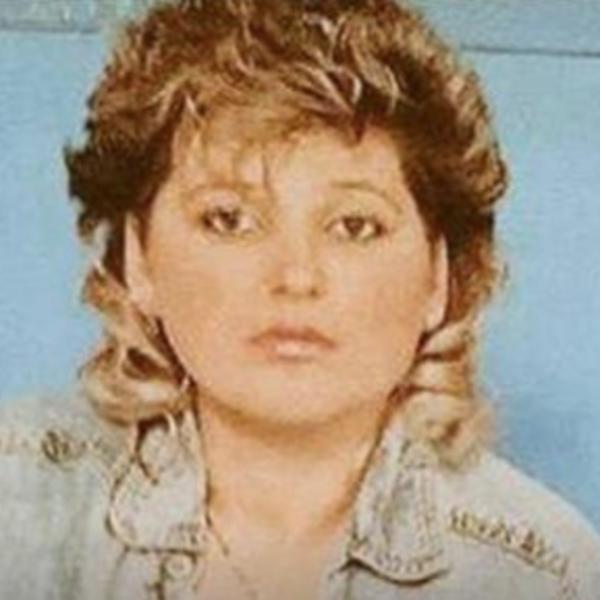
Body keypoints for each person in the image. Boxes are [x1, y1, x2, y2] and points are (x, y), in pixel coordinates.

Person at [1, 0, 599, 598]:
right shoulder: (18, 496)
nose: (296, 276)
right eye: (229, 219)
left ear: (438, 277)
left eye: (355, 226)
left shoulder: (542, 574)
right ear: (139, 257)